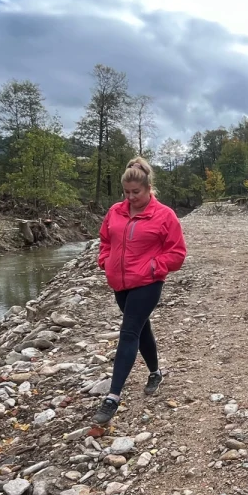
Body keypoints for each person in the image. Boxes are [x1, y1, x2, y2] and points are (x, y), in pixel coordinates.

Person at [94, 157, 187, 425]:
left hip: (148, 283)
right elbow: (105, 239)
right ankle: (156, 373)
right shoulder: (115, 211)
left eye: (136, 192)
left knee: (128, 331)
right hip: (120, 284)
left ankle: (112, 397)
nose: (131, 197)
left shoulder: (164, 215)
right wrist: (105, 260)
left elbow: (178, 253)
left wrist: (155, 267)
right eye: (127, 192)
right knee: (141, 328)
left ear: (148, 189)